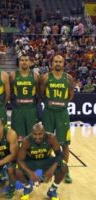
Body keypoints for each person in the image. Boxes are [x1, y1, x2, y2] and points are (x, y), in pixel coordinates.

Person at [41, 54, 74, 183]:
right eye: (56, 61)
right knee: (46, 142)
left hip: (62, 114)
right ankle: (47, 169)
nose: (58, 63)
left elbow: (70, 95)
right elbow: (41, 93)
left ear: (64, 63)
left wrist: (60, 104)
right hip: (48, 113)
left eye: (60, 61)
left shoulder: (69, 78)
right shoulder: (45, 78)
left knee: (64, 144)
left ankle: (65, 170)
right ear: (52, 63)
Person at [16, 123, 67, 200]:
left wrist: (51, 170)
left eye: (40, 134)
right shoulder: (26, 141)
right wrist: (31, 173)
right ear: (31, 133)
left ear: (44, 132)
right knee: (17, 171)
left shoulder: (51, 137)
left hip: (47, 160)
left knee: (64, 167)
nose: (37, 137)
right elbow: (20, 160)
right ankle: (27, 187)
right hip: (31, 161)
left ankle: (52, 190)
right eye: (35, 134)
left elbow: (59, 155)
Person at [10, 54, 40, 142]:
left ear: (30, 62)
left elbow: (39, 93)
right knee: (17, 139)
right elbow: (10, 93)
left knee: (32, 137)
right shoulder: (13, 75)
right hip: (18, 110)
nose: (24, 62)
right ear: (19, 62)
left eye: (26, 60)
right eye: (22, 60)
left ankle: (30, 155)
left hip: (31, 110)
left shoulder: (35, 76)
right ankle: (19, 156)